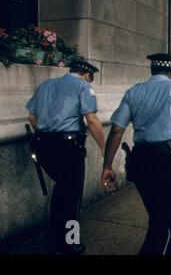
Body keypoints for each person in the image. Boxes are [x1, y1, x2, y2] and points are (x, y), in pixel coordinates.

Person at [102, 53, 171, 255]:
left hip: (140, 161)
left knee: (158, 213)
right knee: (163, 220)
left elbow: (117, 130)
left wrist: (107, 166)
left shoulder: (134, 91)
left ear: (152, 70)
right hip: (167, 162)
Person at [25, 59, 105, 255]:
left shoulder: (45, 85)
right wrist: (105, 149)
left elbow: (31, 117)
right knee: (71, 196)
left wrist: (47, 135)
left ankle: (54, 233)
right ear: (87, 75)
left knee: (61, 190)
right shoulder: (83, 86)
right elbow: (92, 120)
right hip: (68, 148)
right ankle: (69, 242)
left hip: (44, 145)